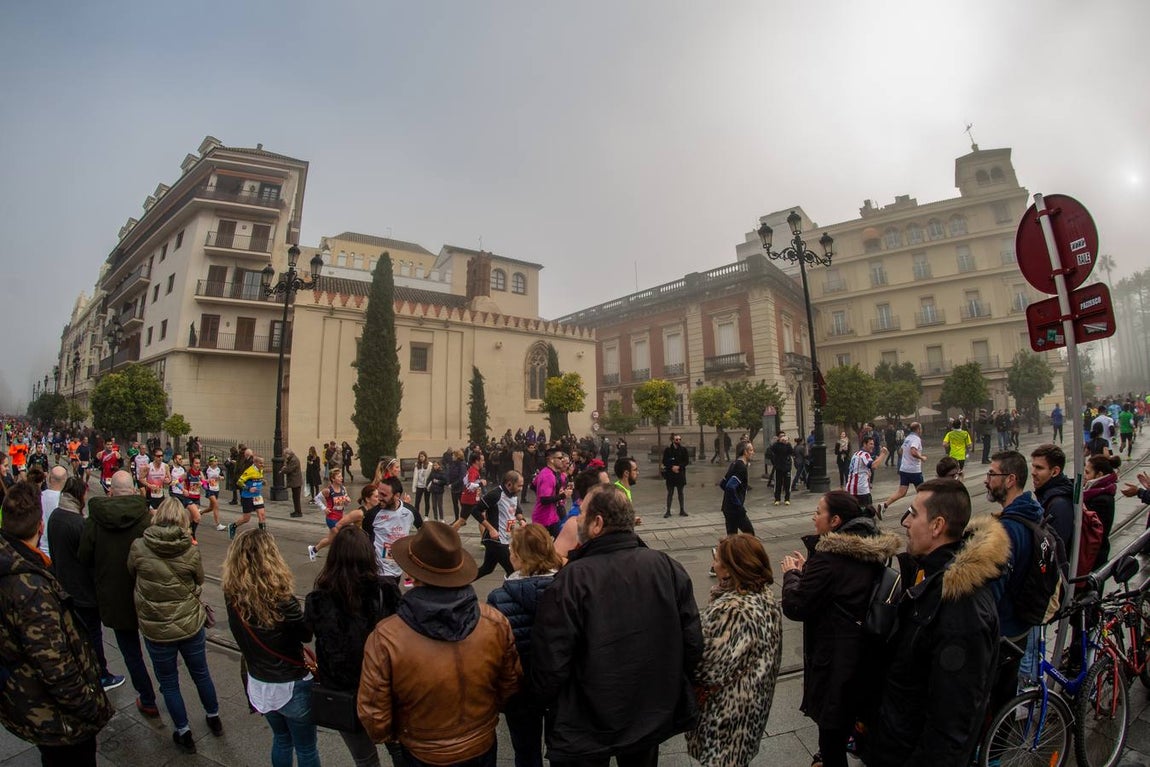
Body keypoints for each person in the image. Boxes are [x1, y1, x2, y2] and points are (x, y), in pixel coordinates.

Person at [533, 483, 702, 766]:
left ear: (597, 523)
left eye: (582, 513)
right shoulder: (666, 567)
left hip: (586, 724)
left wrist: (548, 704)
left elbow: (550, 663)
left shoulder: (570, 581)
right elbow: (693, 643)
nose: (577, 519)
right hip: (649, 714)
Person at [867, 479, 1008, 767]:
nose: (905, 522)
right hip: (895, 740)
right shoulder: (930, 577)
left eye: (913, 513)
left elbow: (951, 724)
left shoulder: (961, 608)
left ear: (937, 526)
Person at [359, 521, 521, 766]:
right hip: (481, 742)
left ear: (413, 574)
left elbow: (374, 716)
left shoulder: (387, 636)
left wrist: (401, 734)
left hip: (422, 750)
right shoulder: (494, 621)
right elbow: (509, 685)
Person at [0, 480, 115, 767]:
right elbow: (55, 667)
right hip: (59, 721)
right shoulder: (30, 587)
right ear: (40, 526)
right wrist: (91, 707)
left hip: (28, 704)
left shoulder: (13, 563)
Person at [781, 492, 900, 767]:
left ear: (835, 521)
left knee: (831, 743)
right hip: (862, 660)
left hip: (835, 665)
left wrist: (792, 575)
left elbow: (796, 605)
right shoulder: (867, 550)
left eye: (818, 511)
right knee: (842, 732)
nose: (813, 516)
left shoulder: (829, 559)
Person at [127, 498, 222, 753]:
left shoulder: (138, 546)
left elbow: (132, 572)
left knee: (169, 682)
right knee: (201, 672)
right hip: (189, 623)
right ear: (183, 519)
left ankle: (183, 731)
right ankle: (213, 716)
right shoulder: (189, 548)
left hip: (156, 627)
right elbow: (199, 579)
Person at [305, 526, 403, 767]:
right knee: (400, 749)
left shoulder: (317, 599)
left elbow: (308, 635)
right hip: (384, 688)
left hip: (344, 693)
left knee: (364, 759)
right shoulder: (387, 589)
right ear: (369, 556)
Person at [223, 528, 318, 767]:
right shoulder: (282, 599)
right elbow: (306, 635)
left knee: (282, 740)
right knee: (306, 748)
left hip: (258, 681)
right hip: (290, 682)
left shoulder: (231, 594)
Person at [687, 533, 782, 767]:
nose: (713, 564)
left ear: (731, 569)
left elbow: (705, 668)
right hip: (752, 704)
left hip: (726, 714)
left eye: (717, 559)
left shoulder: (731, 610)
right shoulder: (765, 597)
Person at [79, 470, 161, 718]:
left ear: (110, 491)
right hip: (146, 593)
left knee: (131, 653)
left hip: (114, 596)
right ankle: (169, 691)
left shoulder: (95, 520)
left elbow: (84, 556)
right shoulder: (145, 517)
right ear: (133, 490)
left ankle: (148, 698)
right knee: (159, 649)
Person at [486, 524, 564, 767]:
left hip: (519, 689)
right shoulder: (567, 589)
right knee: (562, 750)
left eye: (512, 551)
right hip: (559, 685)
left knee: (525, 751)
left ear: (519, 558)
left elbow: (494, 651)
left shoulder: (499, 598)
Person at [48, 477, 124, 691]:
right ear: (79, 496)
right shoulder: (78, 523)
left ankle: (83, 670)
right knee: (93, 635)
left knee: (76, 634)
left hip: (64, 586)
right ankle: (101, 675)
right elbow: (91, 560)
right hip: (83, 592)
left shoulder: (55, 516)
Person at [983, 450, 1042, 713]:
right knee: (1005, 698)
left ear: (1010, 479)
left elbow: (991, 594)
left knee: (993, 703)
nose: (987, 480)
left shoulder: (1007, 530)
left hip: (1003, 631)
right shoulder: (1033, 513)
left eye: (992, 474)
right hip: (1021, 626)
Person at [456, 470, 526, 580]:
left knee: (487, 568)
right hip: (496, 540)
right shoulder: (495, 494)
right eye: (519, 486)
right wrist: (490, 529)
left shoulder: (514, 495)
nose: (521, 489)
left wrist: (521, 520)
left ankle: (459, 582)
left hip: (505, 538)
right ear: (509, 484)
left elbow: (517, 510)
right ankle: (512, 591)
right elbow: (475, 510)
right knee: (513, 571)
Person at [1030, 443, 1075, 550]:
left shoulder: (1059, 505)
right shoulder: (1049, 494)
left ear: (1055, 472)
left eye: (1039, 468)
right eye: (1033, 466)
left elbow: (1055, 550)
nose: (1033, 472)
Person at [878, 421, 926, 518]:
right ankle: (918, 511)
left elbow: (900, 451)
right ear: (918, 429)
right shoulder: (916, 439)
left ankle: (884, 505)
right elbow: (913, 451)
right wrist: (921, 457)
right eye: (920, 429)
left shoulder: (907, 438)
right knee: (922, 493)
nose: (921, 430)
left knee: (901, 492)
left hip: (904, 469)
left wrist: (906, 458)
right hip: (914, 470)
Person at [1083, 454, 1118, 570]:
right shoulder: (1097, 492)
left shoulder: (1101, 499)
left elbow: (1091, 530)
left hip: (1093, 557)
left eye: (1087, 472)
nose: (1084, 476)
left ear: (1099, 475)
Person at [309, 467, 351, 561]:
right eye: (339, 477)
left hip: (340, 518)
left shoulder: (343, 489)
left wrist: (347, 501)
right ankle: (340, 558)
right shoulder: (328, 490)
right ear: (333, 478)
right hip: (331, 518)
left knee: (330, 539)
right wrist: (324, 508)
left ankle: (314, 549)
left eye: (341, 476)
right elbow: (316, 498)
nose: (341, 478)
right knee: (341, 537)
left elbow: (345, 503)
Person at [720, 440, 756, 535]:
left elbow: (722, 484)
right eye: (751, 450)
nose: (753, 452)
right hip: (735, 509)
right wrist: (738, 503)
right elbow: (730, 487)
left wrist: (732, 496)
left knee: (732, 537)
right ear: (745, 452)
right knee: (750, 535)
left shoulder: (734, 464)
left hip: (727, 507)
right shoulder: (741, 467)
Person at [530, 447, 568, 536]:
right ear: (551, 460)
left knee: (560, 539)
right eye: (560, 458)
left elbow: (533, 486)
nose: (562, 460)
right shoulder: (548, 476)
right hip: (543, 519)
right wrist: (562, 495)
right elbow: (544, 500)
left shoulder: (547, 472)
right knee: (541, 544)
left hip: (552, 517)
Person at [229, 454, 267, 539]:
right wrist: (248, 488)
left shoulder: (260, 469)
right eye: (260, 463)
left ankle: (263, 537)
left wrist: (262, 481)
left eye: (263, 463)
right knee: (246, 518)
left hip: (257, 496)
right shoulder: (249, 471)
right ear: (255, 463)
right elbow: (239, 482)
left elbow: (256, 479)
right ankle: (233, 526)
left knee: (262, 515)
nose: (262, 465)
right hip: (247, 497)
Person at [845, 435, 886, 508]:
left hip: (850, 489)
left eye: (873, 444)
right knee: (868, 511)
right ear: (864, 444)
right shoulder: (864, 454)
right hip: (860, 490)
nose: (872, 446)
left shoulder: (856, 454)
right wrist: (883, 454)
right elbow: (874, 466)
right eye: (870, 444)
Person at [661, 433, 690, 517]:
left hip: (680, 474)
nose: (678, 441)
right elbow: (664, 461)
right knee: (670, 493)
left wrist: (679, 467)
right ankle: (668, 511)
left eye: (680, 439)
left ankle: (682, 510)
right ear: (673, 440)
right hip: (670, 475)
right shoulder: (668, 450)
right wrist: (672, 467)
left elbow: (686, 461)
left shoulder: (683, 450)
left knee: (680, 493)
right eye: (677, 439)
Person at [767, 432, 794, 506]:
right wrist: (777, 442)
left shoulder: (788, 445)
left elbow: (791, 452)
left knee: (787, 484)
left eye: (784, 436)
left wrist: (787, 443)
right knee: (778, 484)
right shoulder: (776, 445)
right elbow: (770, 451)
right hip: (778, 467)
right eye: (781, 436)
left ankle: (787, 499)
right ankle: (777, 499)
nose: (783, 437)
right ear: (778, 438)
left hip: (787, 467)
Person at [284, 448, 304, 518]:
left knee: (296, 498)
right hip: (295, 482)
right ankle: (296, 511)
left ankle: (298, 512)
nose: (285, 456)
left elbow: (289, 469)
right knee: (295, 497)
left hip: (296, 482)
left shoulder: (293, 460)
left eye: (285, 455)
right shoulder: (292, 459)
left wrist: (283, 469)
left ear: (288, 454)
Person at [412, 451, 431, 518]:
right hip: (419, 486)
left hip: (426, 486)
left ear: (425, 457)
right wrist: (414, 488)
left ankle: (426, 516)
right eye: (420, 456)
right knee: (417, 502)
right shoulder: (417, 465)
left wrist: (429, 485)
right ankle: (416, 516)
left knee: (427, 501)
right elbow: (415, 477)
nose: (421, 458)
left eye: (422, 456)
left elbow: (431, 476)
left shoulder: (429, 465)